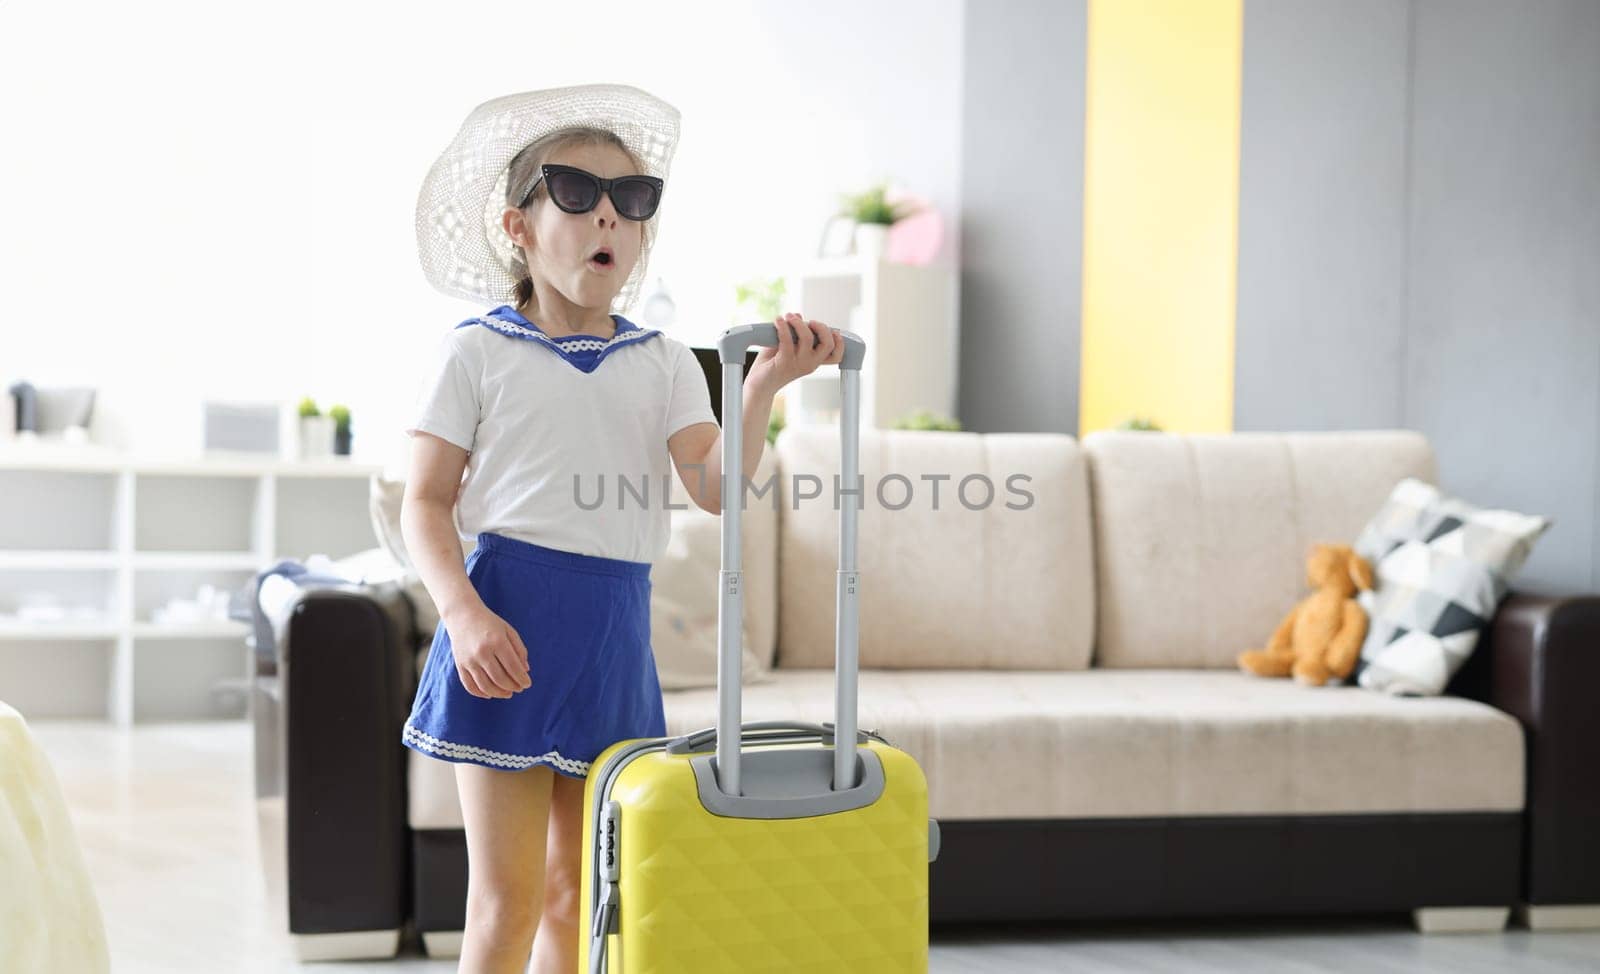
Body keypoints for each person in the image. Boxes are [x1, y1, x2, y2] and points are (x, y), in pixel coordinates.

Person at [400, 83, 843, 974]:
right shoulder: (475, 352)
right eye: (575, 193)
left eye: (631, 202)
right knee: (508, 900)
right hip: (505, 630)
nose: (608, 217)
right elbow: (426, 502)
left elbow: (716, 488)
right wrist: (462, 614)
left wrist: (758, 391)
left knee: (582, 893)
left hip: (611, 638)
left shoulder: (665, 364)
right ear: (516, 225)